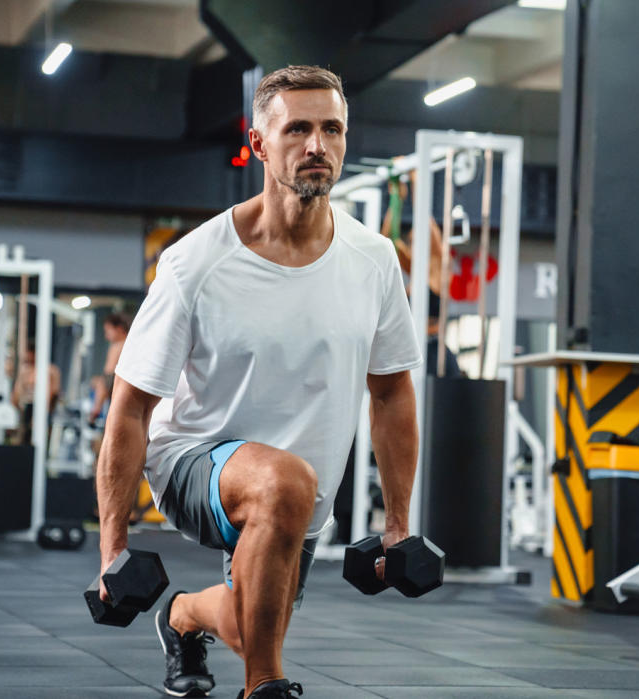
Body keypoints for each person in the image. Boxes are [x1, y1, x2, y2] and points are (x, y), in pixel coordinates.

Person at [96, 65, 422, 699]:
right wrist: (113, 550)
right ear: (258, 142)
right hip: (193, 459)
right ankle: (265, 690)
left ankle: (184, 615)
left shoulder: (374, 260)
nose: (317, 146)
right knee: (283, 483)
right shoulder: (196, 261)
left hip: (303, 497)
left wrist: (398, 526)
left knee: (251, 625)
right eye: (297, 128)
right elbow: (131, 406)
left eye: (332, 129)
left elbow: (391, 392)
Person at [380, 172, 462, 377]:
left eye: (419, 241)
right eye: (412, 241)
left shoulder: (438, 270)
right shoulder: (415, 271)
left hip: (434, 353)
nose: (414, 245)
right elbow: (386, 242)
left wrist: (417, 181)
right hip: (411, 348)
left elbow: (427, 225)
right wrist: (397, 198)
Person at [89, 312, 130, 425]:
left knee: (100, 382)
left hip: (118, 385)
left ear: (119, 329)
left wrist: (96, 408)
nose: (106, 336)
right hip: (117, 385)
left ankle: (95, 412)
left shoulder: (120, 345)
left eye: (108, 331)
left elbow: (108, 375)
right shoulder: (124, 344)